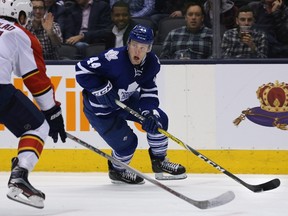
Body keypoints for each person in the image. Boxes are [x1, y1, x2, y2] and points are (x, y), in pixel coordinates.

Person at [75, 24, 186, 184]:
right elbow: (81, 70)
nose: (137, 51)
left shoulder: (152, 63)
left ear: (149, 48)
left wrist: (148, 112)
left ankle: (160, 162)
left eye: (143, 47)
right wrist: (101, 88)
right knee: (127, 145)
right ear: (128, 44)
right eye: (134, 45)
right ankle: (117, 171)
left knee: (158, 120)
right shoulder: (112, 58)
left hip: (125, 101)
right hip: (101, 111)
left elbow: (149, 90)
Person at [0, 0, 66, 208]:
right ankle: (20, 174)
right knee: (38, 127)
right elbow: (35, 78)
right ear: (21, 16)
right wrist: (52, 113)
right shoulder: (19, 33)